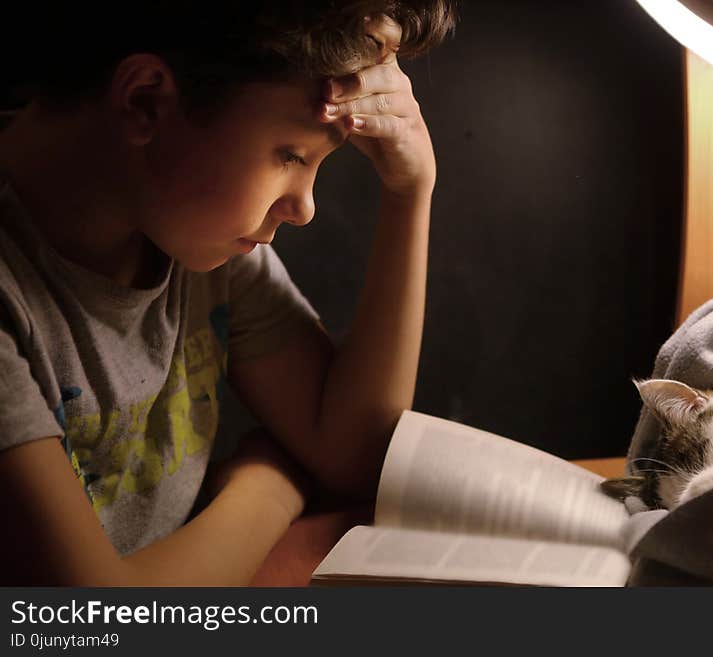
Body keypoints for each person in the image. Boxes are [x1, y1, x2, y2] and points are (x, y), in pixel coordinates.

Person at [0, 1, 457, 585]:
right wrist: (271, 484)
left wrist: (410, 193)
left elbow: (356, 455)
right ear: (146, 100)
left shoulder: (186, 233)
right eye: (291, 155)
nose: (304, 208)